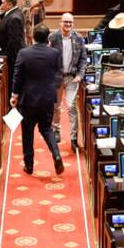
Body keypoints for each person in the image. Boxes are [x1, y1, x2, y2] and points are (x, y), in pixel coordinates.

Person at [12, 25, 64, 176]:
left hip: (28, 100)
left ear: (33, 37)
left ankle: (29, 166)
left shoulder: (24, 53)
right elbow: (58, 73)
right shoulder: (54, 53)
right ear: (48, 38)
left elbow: (17, 76)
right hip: (47, 98)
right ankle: (56, 154)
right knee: (47, 129)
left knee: (27, 133)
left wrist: (14, 95)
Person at [49, 13, 86, 152]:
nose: (68, 25)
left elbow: (83, 59)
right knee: (56, 107)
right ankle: (56, 130)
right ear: (60, 23)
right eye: (65, 22)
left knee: (71, 107)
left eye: (70, 22)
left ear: (73, 23)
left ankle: (74, 138)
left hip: (72, 77)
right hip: (57, 77)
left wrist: (80, 75)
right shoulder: (53, 37)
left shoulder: (79, 38)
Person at [0, 0, 25, 70]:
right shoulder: (13, 13)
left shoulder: (14, 18)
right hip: (8, 54)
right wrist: (1, 14)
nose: (1, 5)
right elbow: (6, 23)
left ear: (9, 5)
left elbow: (14, 41)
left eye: (3, 3)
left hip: (11, 57)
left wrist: (4, 55)